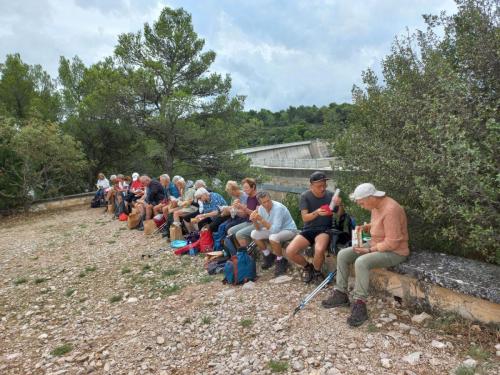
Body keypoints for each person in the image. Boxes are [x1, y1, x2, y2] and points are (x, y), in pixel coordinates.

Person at [322, 183, 409, 327]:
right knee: (343, 254)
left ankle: (360, 303)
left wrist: (369, 250)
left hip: (395, 251)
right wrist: (367, 227)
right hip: (377, 245)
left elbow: (393, 242)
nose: (362, 206)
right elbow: (380, 226)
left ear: (370, 198)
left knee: (361, 262)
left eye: (362, 203)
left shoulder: (391, 209)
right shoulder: (376, 206)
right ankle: (341, 294)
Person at [285, 171, 342, 284]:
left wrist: (340, 204)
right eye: (319, 186)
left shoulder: (331, 195)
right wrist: (317, 212)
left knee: (319, 249)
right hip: (309, 229)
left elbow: (340, 214)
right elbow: (305, 218)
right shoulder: (305, 196)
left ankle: (317, 272)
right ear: (311, 186)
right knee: (290, 251)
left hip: (325, 229)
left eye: (324, 185)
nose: (322, 188)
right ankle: (308, 267)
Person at [250, 191, 297, 276]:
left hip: (289, 230)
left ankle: (280, 260)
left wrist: (261, 220)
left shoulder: (278, 208)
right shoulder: (261, 208)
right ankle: (268, 255)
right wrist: (254, 220)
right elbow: (258, 228)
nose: (267, 203)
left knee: (273, 237)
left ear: (270, 198)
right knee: (254, 234)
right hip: (274, 230)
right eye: (264, 202)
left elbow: (275, 230)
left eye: (268, 200)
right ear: (260, 203)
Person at [227, 177, 260, 247]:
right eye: (244, 188)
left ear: (253, 187)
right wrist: (236, 208)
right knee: (230, 231)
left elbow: (256, 215)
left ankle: (246, 254)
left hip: (257, 223)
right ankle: (238, 254)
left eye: (246, 188)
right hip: (248, 222)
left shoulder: (258, 197)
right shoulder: (248, 197)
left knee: (239, 234)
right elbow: (244, 215)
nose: (244, 190)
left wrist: (244, 208)